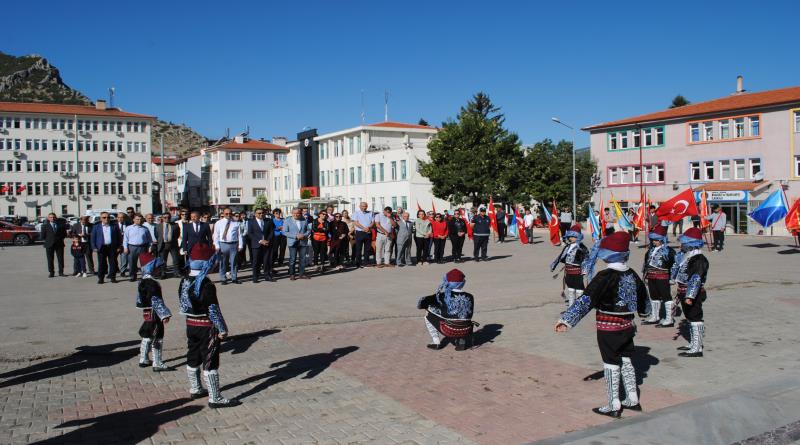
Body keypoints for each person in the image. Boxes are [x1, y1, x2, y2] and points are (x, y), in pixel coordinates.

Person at [555, 231, 648, 418]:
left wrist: (566, 319)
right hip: (628, 326)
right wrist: (644, 312)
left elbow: (587, 300)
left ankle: (613, 405)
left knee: (611, 362)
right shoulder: (631, 274)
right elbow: (643, 298)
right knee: (627, 360)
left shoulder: (605, 276)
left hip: (609, 326)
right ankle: (632, 399)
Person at [178, 242, 239, 408]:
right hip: (207, 327)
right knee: (210, 359)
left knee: (193, 355)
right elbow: (213, 309)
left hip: (190, 324)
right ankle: (215, 397)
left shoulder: (184, 281)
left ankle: (195, 387)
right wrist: (222, 328)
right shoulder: (206, 284)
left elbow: (183, 304)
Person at [671, 228, 710, 358]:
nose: (682, 245)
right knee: (690, 317)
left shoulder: (699, 259)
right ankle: (693, 343)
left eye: (684, 243)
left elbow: (696, 278)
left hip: (693, 293)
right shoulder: (687, 256)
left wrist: (690, 295)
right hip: (684, 291)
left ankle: (697, 347)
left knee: (695, 317)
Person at [417, 269, 475, 351]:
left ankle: (436, 342)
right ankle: (461, 341)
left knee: (428, 312)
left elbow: (421, 304)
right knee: (461, 317)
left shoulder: (442, 295)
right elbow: (470, 314)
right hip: (466, 330)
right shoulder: (470, 296)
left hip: (448, 329)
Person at [135, 252, 171, 371]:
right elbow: (156, 301)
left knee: (147, 335)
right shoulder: (152, 283)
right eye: (156, 268)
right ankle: (157, 362)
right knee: (157, 336)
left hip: (147, 312)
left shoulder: (142, 281)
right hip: (155, 313)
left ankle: (143, 358)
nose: (158, 270)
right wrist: (164, 314)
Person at [641, 224, 677, 327]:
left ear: (662, 240)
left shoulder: (669, 251)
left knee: (666, 297)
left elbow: (674, 265)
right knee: (654, 296)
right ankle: (655, 316)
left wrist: (672, 278)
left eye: (656, 240)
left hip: (663, 277)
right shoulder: (650, 251)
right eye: (653, 240)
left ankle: (669, 319)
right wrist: (645, 276)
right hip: (651, 276)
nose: (654, 242)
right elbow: (646, 264)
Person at [549, 224, 589, 307]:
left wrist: (585, 271)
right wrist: (554, 265)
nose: (571, 238)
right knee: (570, 290)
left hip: (578, 272)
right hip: (568, 271)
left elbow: (586, 260)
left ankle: (579, 307)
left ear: (578, 237)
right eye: (570, 236)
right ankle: (571, 307)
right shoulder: (567, 246)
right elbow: (561, 256)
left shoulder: (582, 247)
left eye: (573, 236)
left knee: (579, 291)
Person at [213, 207, 244, 285]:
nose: (228, 215)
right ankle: (223, 278)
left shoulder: (236, 223)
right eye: (226, 213)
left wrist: (240, 245)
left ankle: (234, 278)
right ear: (223, 214)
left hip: (233, 244)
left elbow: (239, 235)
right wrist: (217, 246)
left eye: (230, 213)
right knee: (223, 262)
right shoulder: (218, 223)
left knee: (234, 262)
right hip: (223, 244)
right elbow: (216, 235)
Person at [91, 212, 121, 284]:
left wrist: (119, 246)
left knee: (113, 263)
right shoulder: (96, 227)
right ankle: (101, 278)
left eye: (108, 217)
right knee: (102, 263)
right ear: (101, 218)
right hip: (101, 247)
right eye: (104, 217)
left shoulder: (114, 226)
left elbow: (119, 237)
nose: (106, 219)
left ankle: (113, 277)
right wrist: (94, 247)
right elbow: (93, 238)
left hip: (112, 247)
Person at [283, 208, 312, 280]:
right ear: (292, 213)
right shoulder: (287, 221)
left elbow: (308, 230)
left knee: (303, 259)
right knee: (292, 259)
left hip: (303, 242)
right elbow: (285, 232)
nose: (296, 214)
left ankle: (301, 274)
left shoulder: (304, 220)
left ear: (300, 213)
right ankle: (292, 274)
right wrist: (295, 236)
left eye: (298, 213)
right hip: (293, 242)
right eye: (294, 213)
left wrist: (304, 235)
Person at [123, 214, 153, 282]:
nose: (139, 221)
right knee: (132, 263)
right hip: (132, 247)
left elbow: (149, 239)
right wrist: (125, 247)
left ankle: (144, 276)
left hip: (143, 247)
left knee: (144, 263)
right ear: (133, 219)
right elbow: (125, 239)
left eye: (140, 219)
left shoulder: (145, 228)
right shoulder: (129, 228)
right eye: (137, 219)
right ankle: (132, 276)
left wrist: (150, 247)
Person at [248, 208, 275, 283]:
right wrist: (260, 241)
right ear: (255, 214)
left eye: (262, 213)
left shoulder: (268, 221)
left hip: (267, 244)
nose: (261, 214)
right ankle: (255, 276)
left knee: (266, 261)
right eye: (259, 213)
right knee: (256, 261)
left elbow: (271, 232)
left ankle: (267, 275)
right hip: (256, 245)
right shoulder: (251, 222)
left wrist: (268, 240)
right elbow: (250, 234)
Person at [156, 212, 183, 278]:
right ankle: (163, 273)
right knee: (163, 260)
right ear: (162, 218)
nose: (167, 219)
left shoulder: (175, 225)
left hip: (173, 244)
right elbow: (157, 235)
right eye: (165, 217)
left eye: (168, 217)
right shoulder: (158, 226)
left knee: (175, 260)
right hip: (163, 245)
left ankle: (176, 273)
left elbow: (177, 234)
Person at [41, 212, 67, 277]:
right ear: (48, 218)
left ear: (56, 218)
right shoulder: (45, 226)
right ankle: (51, 272)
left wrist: (59, 239)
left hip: (59, 244)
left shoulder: (61, 225)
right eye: (51, 217)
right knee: (50, 259)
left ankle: (61, 272)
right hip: (49, 244)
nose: (52, 218)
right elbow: (42, 236)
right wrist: (48, 240)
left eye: (53, 217)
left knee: (60, 259)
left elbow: (64, 234)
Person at [352, 202, 374, 267]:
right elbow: (355, 222)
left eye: (365, 206)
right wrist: (364, 228)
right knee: (358, 248)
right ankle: (358, 262)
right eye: (362, 206)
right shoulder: (356, 213)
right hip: (360, 232)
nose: (364, 207)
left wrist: (369, 227)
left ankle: (366, 262)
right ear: (359, 206)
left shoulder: (370, 213)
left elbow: (373, 222)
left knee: (367, 248)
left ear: (367, 206)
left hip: (368, 232)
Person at [116, 212, 131, 277]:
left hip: (125, 244)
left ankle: (123, 271)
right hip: (116, 244)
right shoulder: (114, 225)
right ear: (117, 218)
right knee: (113, 259)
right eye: (119, 217)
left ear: (124, 218)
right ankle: (113, 271)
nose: (120, 219)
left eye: (122, 217)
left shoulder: (129, 224)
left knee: (124, 259)